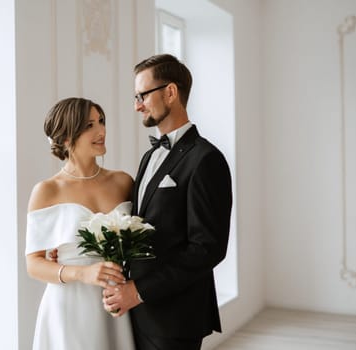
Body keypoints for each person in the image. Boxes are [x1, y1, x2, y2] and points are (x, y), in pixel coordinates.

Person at [102, 54, 233, 350]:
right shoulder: (149, 156)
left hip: (175, 317)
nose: (137, 105)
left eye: (142, 95)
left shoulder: (206, 159)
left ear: (170, 92)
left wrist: (139, 291)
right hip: (135, 313)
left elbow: (207, 248)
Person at [25, 97, 136, 350]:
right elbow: (33, 264)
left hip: (116, 303)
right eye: (89, 125)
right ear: (65, 138)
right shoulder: (47, 190)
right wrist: (82, 272)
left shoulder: (123, 182)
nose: (101, 131)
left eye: (101, 121)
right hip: (68, 308)